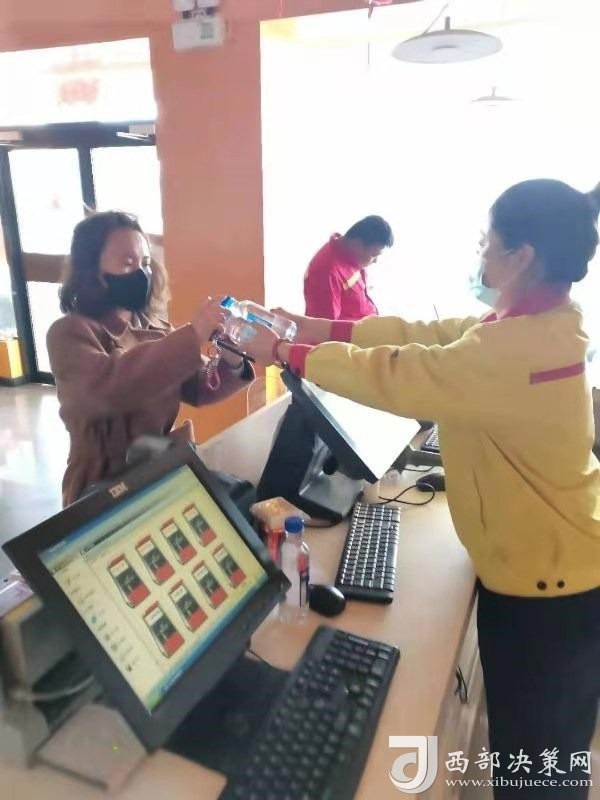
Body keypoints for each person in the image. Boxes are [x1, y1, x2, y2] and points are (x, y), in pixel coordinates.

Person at [246, 179, 600, 799]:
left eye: (488, 242)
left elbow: (403, 373)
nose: (481, 253)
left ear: (522, 255)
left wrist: (283, 350)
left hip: (552, 591)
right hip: (549, 563)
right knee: (531, 757)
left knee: (539, 771)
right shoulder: (536, 323)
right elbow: (424, 336)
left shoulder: (516, 346)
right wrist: (312, 326)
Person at [47, 211, 252, 506]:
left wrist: (231, 357)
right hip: (103, 487)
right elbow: (110, 389)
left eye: (144, 263)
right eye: (127, 263)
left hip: (157, 469)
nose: (141, 273)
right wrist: (194, 334)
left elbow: (198, 387)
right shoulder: (68, 333)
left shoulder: (155, 328)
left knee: (241, 499)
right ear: (92, 270)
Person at [303, 215, 394, 320]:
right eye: (374, 255)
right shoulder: (326, 273)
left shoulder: (352, 255)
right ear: (357, 244)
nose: (375, 261)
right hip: (354, 329)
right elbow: (327, 326)